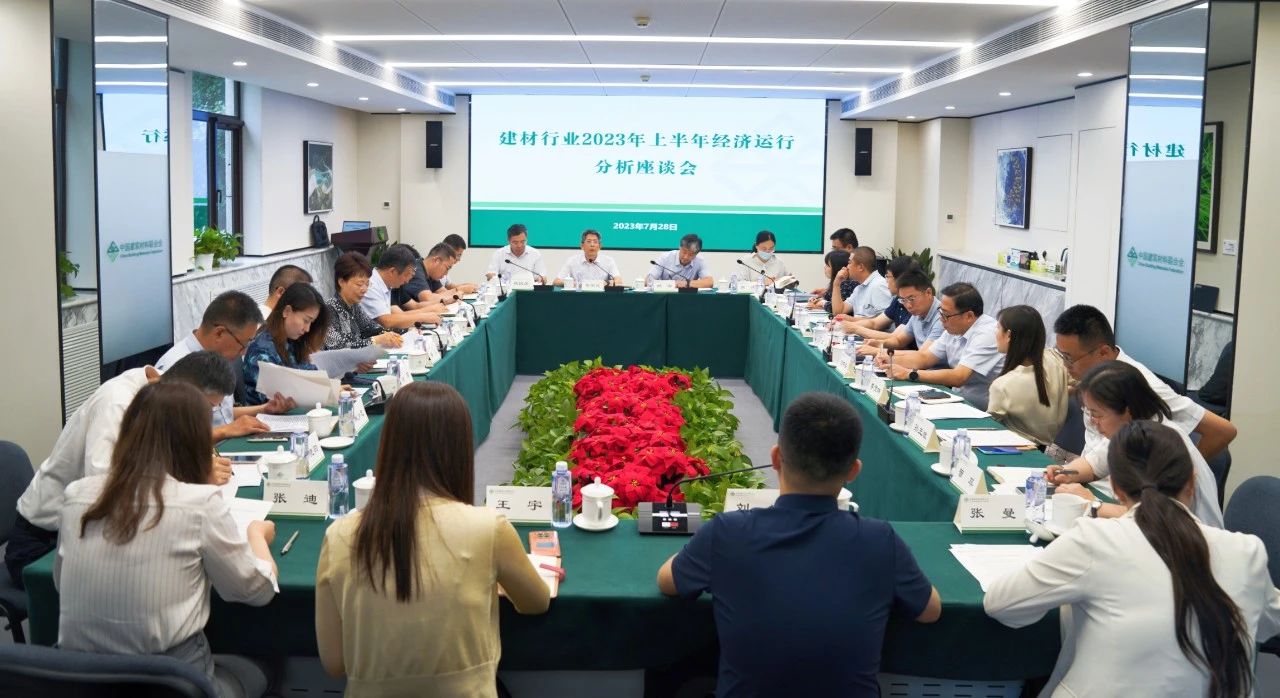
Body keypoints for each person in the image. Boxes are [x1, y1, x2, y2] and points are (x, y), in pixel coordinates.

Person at [656, 393, 940, 696]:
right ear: (854, 471)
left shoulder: (726, 532)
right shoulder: (881, 539)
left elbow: (667, 582)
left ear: (776, 458)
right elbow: (930, 611)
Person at [985, 420, 1279, 697]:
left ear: (1115, 488)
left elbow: (1002, 604)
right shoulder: (1246, 552)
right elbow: (1268, 623)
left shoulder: (1095, 539)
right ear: (1192, 481)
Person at [315, 382, 549, 695]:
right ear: (460, 450)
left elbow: (334, 663)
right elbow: (536, 601)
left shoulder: (340, 535)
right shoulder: (489, 528)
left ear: (388, 444)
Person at [56, 382, 278, 698]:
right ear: (196, 439)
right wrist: (256, 535)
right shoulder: (199, 503)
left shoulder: (76, 495)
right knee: (263, 666)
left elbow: (60, 582)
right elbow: (255, 591)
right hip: (172, 683)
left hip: (80, 682)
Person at [5, 351, 239, 589]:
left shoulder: (160, 390)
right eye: (207, 408)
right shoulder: (117, 404)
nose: (204, 417)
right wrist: (193, 475)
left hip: (99, 533)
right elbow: (106, 488)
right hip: (45, 543)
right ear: (186, 392)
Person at [1050, 304, 1236, 467]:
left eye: (1069, 358)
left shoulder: (1145, 387)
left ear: (1103, 352)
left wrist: (1183, 475)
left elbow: (1223, 431)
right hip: (1090, 474)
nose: (1065, 366)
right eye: (1061, 356)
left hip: (1121, 489)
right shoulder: (1096, 373)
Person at [1048, 361, 1223, 526]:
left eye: (1097, 414)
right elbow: (1093, 464)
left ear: (1127, 410)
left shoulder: (1160, 444)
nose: (1093, 422)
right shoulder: (1131, 430)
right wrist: (1064, 472)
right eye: (1089, 413)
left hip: (1188, 537)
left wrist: (1091, 504)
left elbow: (1157, 517)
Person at [156, 290, 296, 437]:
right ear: (219, 333)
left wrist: (263, 409)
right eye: (243, 344)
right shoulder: (174, 367)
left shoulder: (219, 358)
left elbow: (222, 413)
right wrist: (225, 431)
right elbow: (172, 439)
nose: (244, 352)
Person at [883, 282, 1005, 410]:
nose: (941, 319)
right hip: (957, 401)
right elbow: (924, 358)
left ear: (969, 316)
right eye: (940, 312)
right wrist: (888, 360)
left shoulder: (987, 334)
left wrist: (910, 374)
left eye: (945, 314)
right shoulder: (954, 328)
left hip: (984, 411)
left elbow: (959, 377)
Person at [987, 305, 1069, 446]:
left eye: (998, 328)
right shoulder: (1056, 360)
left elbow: (988, 428)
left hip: (1014, 448)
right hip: (1047, 447)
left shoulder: (1003, 385)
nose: (995, 332)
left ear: (1009, 335)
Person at [243, 283, 330, 405]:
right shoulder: (262, 351)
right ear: (287, 311)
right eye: (306, 320)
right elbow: (275, 399)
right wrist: (323, 392)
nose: (307, 329)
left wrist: (330, 389)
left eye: (311, 322)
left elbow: (309, 373)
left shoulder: (291, 341)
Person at [325, 251, 404, 352]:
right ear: (341, 282)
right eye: (359, 284)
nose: (364, 289)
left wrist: (395, 333)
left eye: (367, 284)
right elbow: (339, 347)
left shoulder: (354, 306)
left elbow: (371, 328)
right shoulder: (328, 310)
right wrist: (376, 340)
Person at [854, 269, 944, 357]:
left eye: (911, 299)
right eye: (903, 300)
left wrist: (877, 351)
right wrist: (879, 343)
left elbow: (922, 356)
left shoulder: (942, 317)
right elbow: (899, 341)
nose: (908, 306)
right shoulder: (918, 313)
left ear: (928, 293)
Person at [359, 244, 443, 329]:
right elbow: (386, 321)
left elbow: (394, 316)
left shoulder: (386, 284)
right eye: (406, 275)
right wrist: (422, 317)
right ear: (392, 272)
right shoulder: (371, 284)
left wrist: (425, 314)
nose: (407, 281)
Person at [836, 255, 918, 341]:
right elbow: (875, 323)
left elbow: (897, 338)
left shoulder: (914, 304)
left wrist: (855, 328)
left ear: (900, 279)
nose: (886, 280)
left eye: (887, 276)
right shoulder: (898, 300)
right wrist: (848, 325)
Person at [392, 243, 458, 311]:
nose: (407, 281)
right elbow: (428, 299)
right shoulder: (417, 271)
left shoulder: (431, 274)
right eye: (447, 268)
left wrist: (445, 301)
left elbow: (416, 306)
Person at [830, 247, 891, 318]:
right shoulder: (859, 288)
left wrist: (852, 320)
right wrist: (836, 284)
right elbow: (839, 311)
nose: (847, 267)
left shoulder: (879, 285)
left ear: (860, 267)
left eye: (849, 263)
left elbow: (885, 320)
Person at [554, 229, 621, 286]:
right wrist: (574, 284)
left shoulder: (608, 261)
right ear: (582, 246)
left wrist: (606, 282)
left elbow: (619, 281)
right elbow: (556, 282)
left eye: (595, 242)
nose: (592, 245)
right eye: (589, 241)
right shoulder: (572, 261)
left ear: (600, 246)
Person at [647, 233, 714, 289]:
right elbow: (648, 281)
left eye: (690, 254)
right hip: (665, 295)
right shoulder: (665, 257)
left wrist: (686, 283)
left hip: (686, 297)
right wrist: (671, 284)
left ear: (696, 254)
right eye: (684, 252)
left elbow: (709, 282)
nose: (686, 257)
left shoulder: (699, 261)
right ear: (679, 247)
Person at [811, 229, 859, 294]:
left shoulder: (858, 270)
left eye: (836, 249)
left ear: (849, 247)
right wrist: (826, 291)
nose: (834, 252)